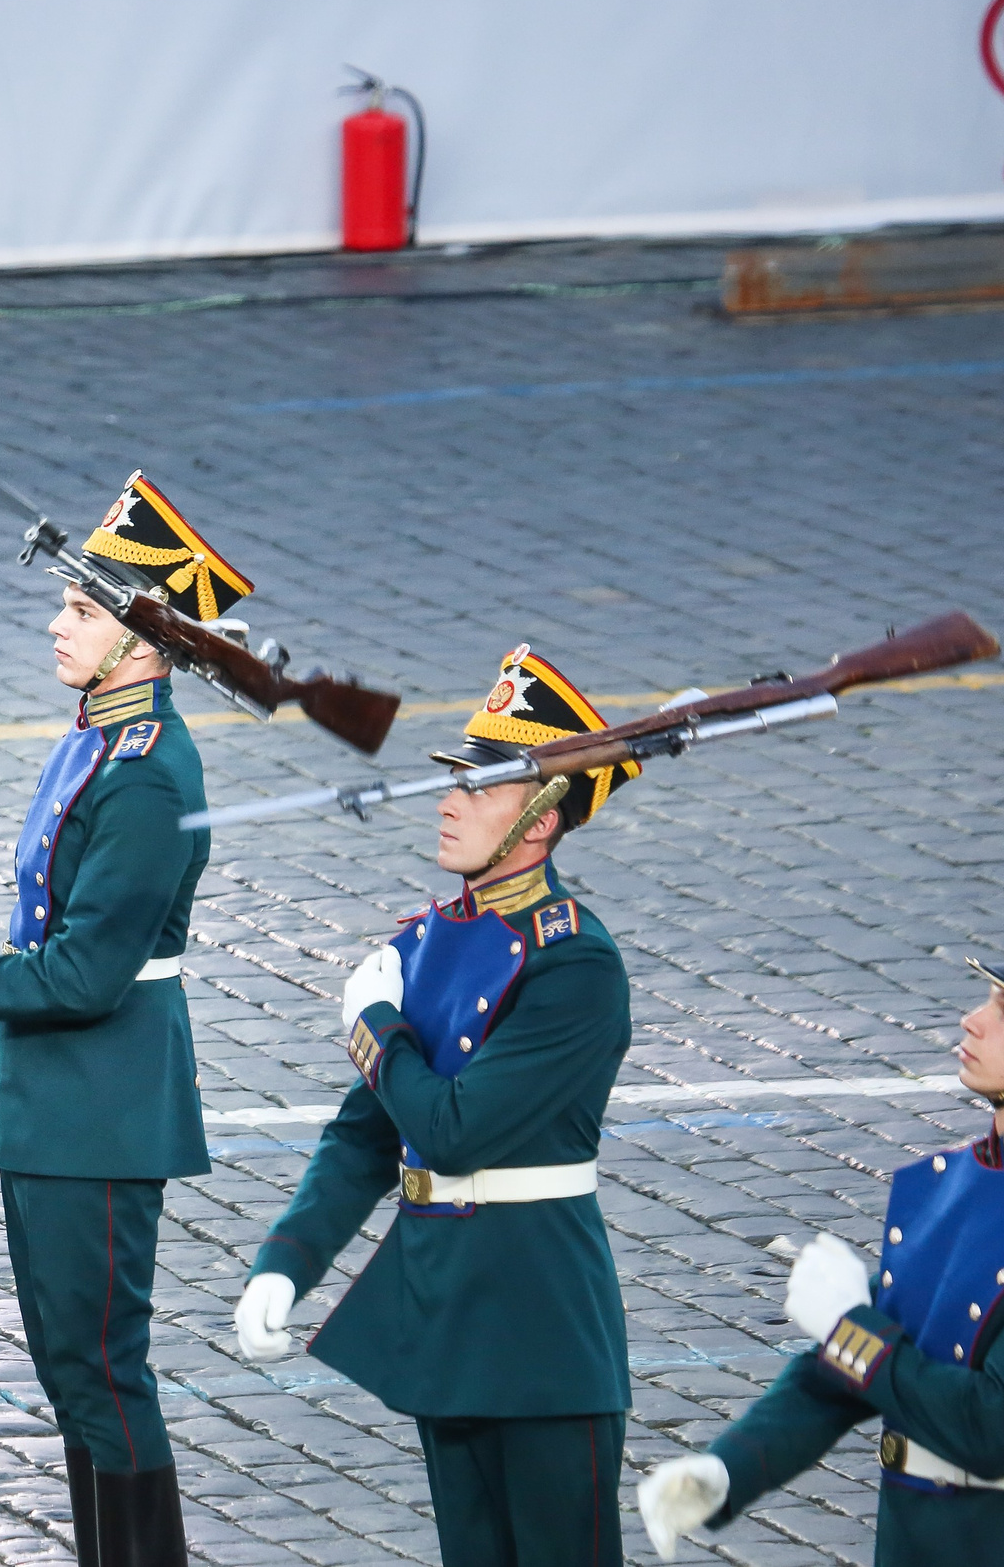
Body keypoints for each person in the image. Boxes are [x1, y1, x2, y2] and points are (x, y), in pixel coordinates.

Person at [0, 470, 239, 1567]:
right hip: (52, 1103)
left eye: (81, 609)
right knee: (70, 1370)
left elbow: (81, 975)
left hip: (104, 1107)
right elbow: (38, 937)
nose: (55, 621)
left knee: (102, 1370)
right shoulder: (91, 739)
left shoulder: (146, 775)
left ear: (145, 639)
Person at [233, 646, 641, 1567]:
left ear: (540, 820)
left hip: (540, 1328)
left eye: (480, 789)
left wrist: (376, 1027)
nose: (449, 801)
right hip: (448, 1321)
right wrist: (286, 1262)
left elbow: (455, 1129)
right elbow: (365, 1137)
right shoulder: (429, 939)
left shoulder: (574, 964)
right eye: (455, 780)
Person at [637, 924, 1004, 1565]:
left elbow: (993, 1429)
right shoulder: (952, 1186)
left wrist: (852, 1329)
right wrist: (728, 1471)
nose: (973, 1020)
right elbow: (845, 1373)